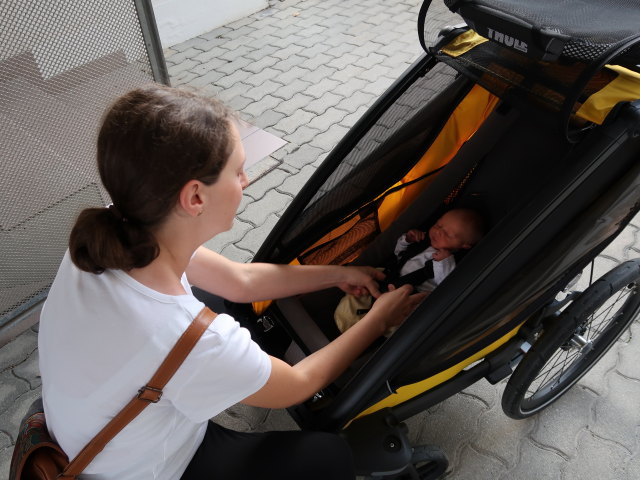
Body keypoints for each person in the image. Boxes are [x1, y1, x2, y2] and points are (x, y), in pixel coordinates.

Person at [37, 84, 425, 480]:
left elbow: (239, 282)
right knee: (326, 456)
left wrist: (339, 273)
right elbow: (298, 383)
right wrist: (378, 319)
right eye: (238, 170)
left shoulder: (115, 229)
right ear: (195, 198)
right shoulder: (186, 336)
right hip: (143, 470)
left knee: (215, 300)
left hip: (91, 430)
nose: (247, 180)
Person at [335, 208, 485, 333]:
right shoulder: (423, 241)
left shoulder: (450, 262)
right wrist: (407, 240)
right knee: (357, 295)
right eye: (439, 225)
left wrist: (443, 262)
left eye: (447, 234)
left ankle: (373, 334)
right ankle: (349, 318)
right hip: (388, 279)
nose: (438, 232)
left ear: (465, 245)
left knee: (405, 321)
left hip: (410, 297)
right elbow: (399, 255)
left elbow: (445, 286)